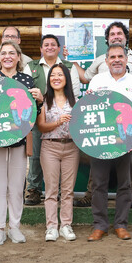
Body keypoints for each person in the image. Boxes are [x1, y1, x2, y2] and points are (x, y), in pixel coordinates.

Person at [74, 21, 132, 208]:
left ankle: (130, 195)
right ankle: (90, 194)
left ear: (126, 38)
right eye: (112, 34)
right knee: (98, 168)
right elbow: (86, 78)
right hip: (104, 124)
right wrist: (74, 63)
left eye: (119, 33)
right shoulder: (100, 62)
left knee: (129, 166)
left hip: (128, 123)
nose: (116, 36)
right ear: (107, 40)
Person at [0, 40, 42, 245]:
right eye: (3, 53)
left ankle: (14, 227)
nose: (7, 56)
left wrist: (39, 100)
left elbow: (33, 113)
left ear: (18, 57)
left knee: (16, 186)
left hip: (19, 139)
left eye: (11, 53)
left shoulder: (26, 79)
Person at [86, 43, 132, 241]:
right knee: (98, 184)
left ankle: (121, 224)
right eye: (112, 57)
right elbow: (91, 111)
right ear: (106, 61)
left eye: (120, 56)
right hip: (101, 141)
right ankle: (100, 225)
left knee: (125, 184)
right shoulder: (97, 80)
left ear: (127, 59)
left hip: (127, 141)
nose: (117, 60)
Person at [23, 34, 80, 205]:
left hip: (65, 116)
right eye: (46, 45)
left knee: (65, 155)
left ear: (58, 48)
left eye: (53, 45)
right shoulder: (30, 66)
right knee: (35, 155)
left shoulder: (69, 66)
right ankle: (33, 189)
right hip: (37, 115)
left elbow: (75, 93)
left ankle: (63, 192)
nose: (49, 47)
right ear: (41, 49)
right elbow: (25, 92)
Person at [37, 63, 80, 241]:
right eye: (53, 75)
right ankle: (51, 227)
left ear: (67, 79)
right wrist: (58, 122)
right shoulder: (44, 101)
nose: (56, 78)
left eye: (60, 75)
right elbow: (41, 127)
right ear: (49, 80)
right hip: (50, 147)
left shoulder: (75, 101)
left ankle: (66, 225)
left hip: (71, 147)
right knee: (51, 190)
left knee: (68, 190)